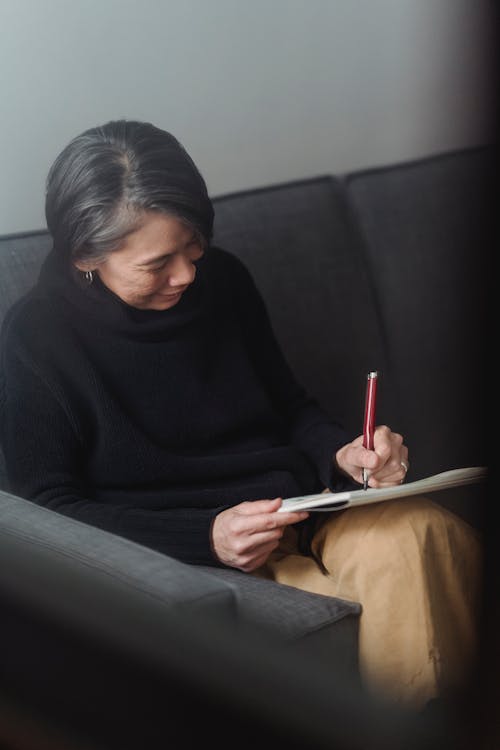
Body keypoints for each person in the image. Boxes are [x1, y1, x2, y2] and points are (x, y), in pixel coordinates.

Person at [0, 119, 481, 710]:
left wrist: (345, 451)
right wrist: (206, 537)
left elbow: (289, 408)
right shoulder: (36, 339)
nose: (187, 275)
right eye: (156, 265)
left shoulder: (223, 280)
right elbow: (44, 511)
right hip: (198, 545)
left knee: (420, 533)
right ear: (84, 256)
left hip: (302, 506)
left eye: (193, 246)